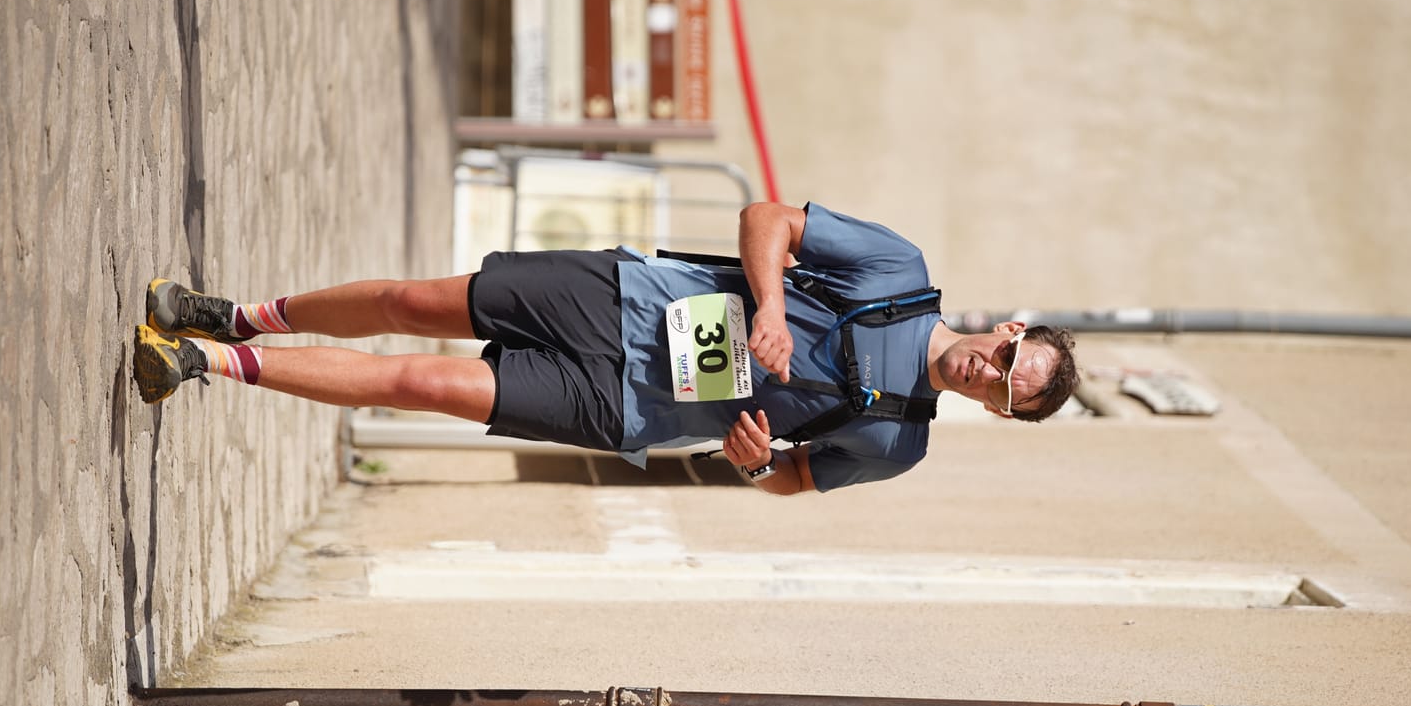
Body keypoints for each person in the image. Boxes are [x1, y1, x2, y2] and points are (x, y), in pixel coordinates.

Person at [131, 201, 1077, 495]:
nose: (989, 377)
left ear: (997, 413)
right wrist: (772, 307)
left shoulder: (898, 442)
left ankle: (201, 362)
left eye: (1005, 394)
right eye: (1008, 361)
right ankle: (234, 314)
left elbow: (794, 480)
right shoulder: (899, 273)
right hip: (626, 297)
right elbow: (766, 218)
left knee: (422, 384)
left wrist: (750, 466)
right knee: (413, 301)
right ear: (1009, 330)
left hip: (628, 407)